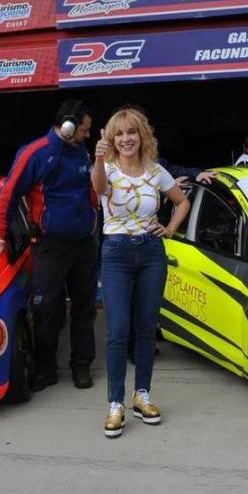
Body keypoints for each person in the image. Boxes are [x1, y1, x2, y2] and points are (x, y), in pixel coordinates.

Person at [0, 100, 99, 391]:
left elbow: (89, 191)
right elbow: (8, 194)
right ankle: (46, 368)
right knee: (47, 308)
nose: (87, 135)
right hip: (50, 246)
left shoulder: (82, 152)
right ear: (68, 126)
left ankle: (81, 365)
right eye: (83, 129)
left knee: (84, 308)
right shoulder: (35, 153)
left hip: (84, 243)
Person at [91, 107, 189, 438]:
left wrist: (171, 228)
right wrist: (98, 159)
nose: (126, 138)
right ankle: (115, 403)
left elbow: (182, 201)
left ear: (141, 134)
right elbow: (98, 188)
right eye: (119, 134)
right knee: (118, 330)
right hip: (116, 252)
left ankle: (142, 395)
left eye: (131, 132)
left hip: (151, 251)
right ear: (111, 139)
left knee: (147, 328)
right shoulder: (106, 168)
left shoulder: (155, 170)